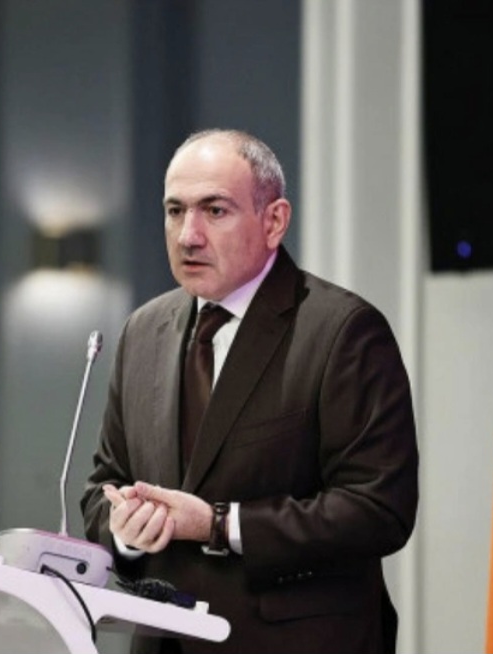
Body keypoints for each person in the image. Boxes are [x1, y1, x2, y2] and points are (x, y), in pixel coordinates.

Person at [81, 129, 418, 654]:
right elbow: (104, 486)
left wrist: (219, 526)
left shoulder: (342, 331)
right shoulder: (142, 331)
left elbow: (378, 510)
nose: (188, 235)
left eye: (214, 211)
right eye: (175, 211)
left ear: (274, 221)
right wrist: (127, 532)